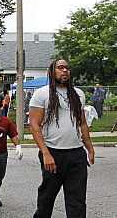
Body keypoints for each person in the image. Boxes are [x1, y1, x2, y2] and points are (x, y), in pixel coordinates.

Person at [29, 58, 95, 218]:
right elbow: (34, 125)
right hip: (53, 153)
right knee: (47, 198)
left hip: (77, 154)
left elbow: (83, 123)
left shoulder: (78, 94)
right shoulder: (42, 94)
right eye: (60, 67)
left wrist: (90, 148)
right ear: (52, 72)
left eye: (67, 68)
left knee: (77, 202)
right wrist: (45, 153)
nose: (65, 70)